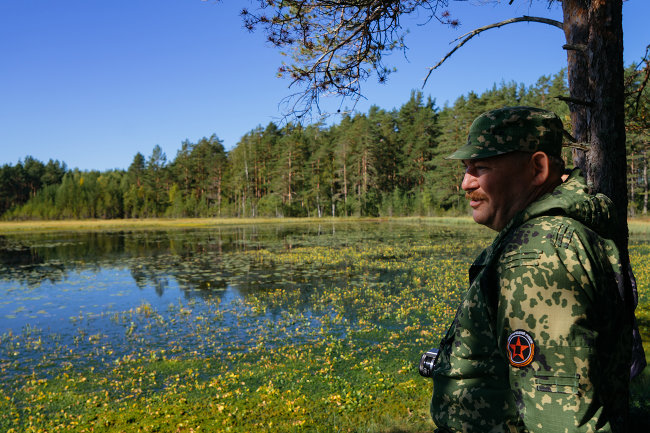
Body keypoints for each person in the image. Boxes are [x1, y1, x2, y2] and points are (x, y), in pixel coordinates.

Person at [429, 106, 639, 433]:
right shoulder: (563, 235)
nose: (465, 183)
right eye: (465, 168)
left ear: (537, 168)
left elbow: (561, 421)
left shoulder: (538, 252)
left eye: (480, 167)